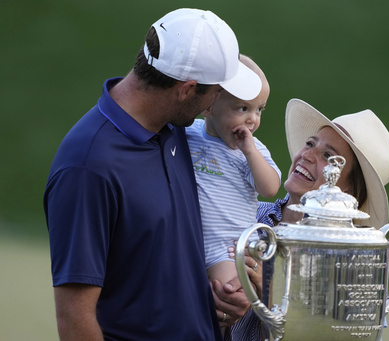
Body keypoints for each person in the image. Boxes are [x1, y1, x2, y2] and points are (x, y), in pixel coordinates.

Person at [43, 8, 262, 340]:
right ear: (187, 90)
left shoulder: (177, 129)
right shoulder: (88, 167)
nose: (218, 99)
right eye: (216, 90)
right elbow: (75, 315)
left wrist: (212, 298)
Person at [227, 98, 389, 340]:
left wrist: (270, 295)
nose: (307, 155)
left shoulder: (353, 265)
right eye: (310, 143)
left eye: (329, 156)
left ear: (349, 189)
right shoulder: (246, 212)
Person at [186, 54, 281, 330]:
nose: (252, 119)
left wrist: (249, 151)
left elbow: (270, 187)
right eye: (242, 108)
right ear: (208, 107)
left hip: (225, 247)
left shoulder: (253, 151)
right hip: (185, 238)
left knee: (228, 297)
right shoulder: (187, 132)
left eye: (259, 110)